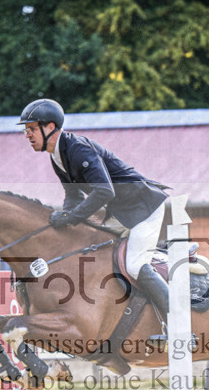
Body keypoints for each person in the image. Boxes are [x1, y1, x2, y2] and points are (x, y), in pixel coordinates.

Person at [17, 98, 172, 317]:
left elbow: (104, 191)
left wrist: (71, 218)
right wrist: (65, 218)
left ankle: (178, 321)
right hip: (122, 214)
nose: (27, 135)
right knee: (94, 253)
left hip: (144, 209)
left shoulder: (78, 149)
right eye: (26, 130)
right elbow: (73, 195)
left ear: (50, 127)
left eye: (32, 129)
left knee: (135, 266)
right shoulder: (57, 156)